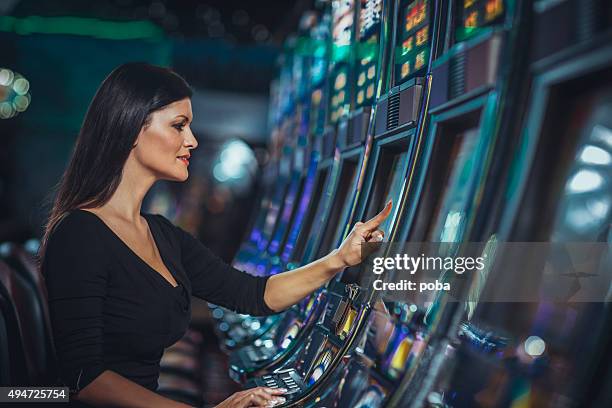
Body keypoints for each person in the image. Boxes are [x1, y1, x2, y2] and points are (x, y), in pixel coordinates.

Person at [41, 62, 391, 408]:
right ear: (132, 128)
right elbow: (84, 379)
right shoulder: (79, 234)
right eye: (179, 126)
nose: (191, 140)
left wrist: (340, 259)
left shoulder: (162, 235)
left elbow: (254, 295)